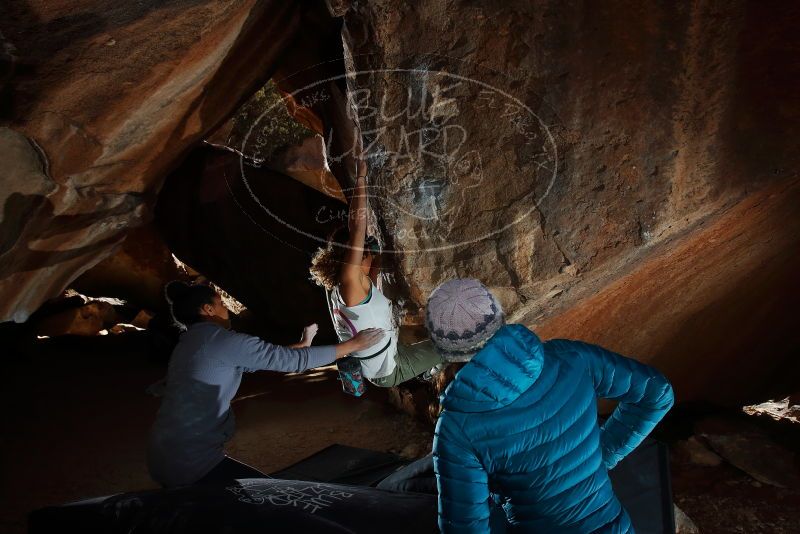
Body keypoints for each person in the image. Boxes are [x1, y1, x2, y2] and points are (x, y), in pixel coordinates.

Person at [427, 278, 675, 533]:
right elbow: (657, 393)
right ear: (498, 318)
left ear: (443, 351)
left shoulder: (455, 429)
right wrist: (602, 456)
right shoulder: (571, 357)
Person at [146, 280, 384, 488]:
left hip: (163, 453)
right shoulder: (222, 340)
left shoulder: (189, 344)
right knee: (270, 501)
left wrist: (303, 344)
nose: (227, 309)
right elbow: (290, 362)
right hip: (190, 460)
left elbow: (265, 359)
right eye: (220, 304)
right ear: (208, 309)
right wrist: (351, 346)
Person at [310, 158, 442, 388]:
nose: (370, 251)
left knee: (425, 332)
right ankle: (432, 367)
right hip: (389, 370)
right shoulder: (349, 283)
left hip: (386, 352)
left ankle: (428, 365)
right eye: (366, 249)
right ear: (356, 254)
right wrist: (361, 179)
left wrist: (380, 253)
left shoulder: (352, 287)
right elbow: (357, 228)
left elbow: (374, 268)